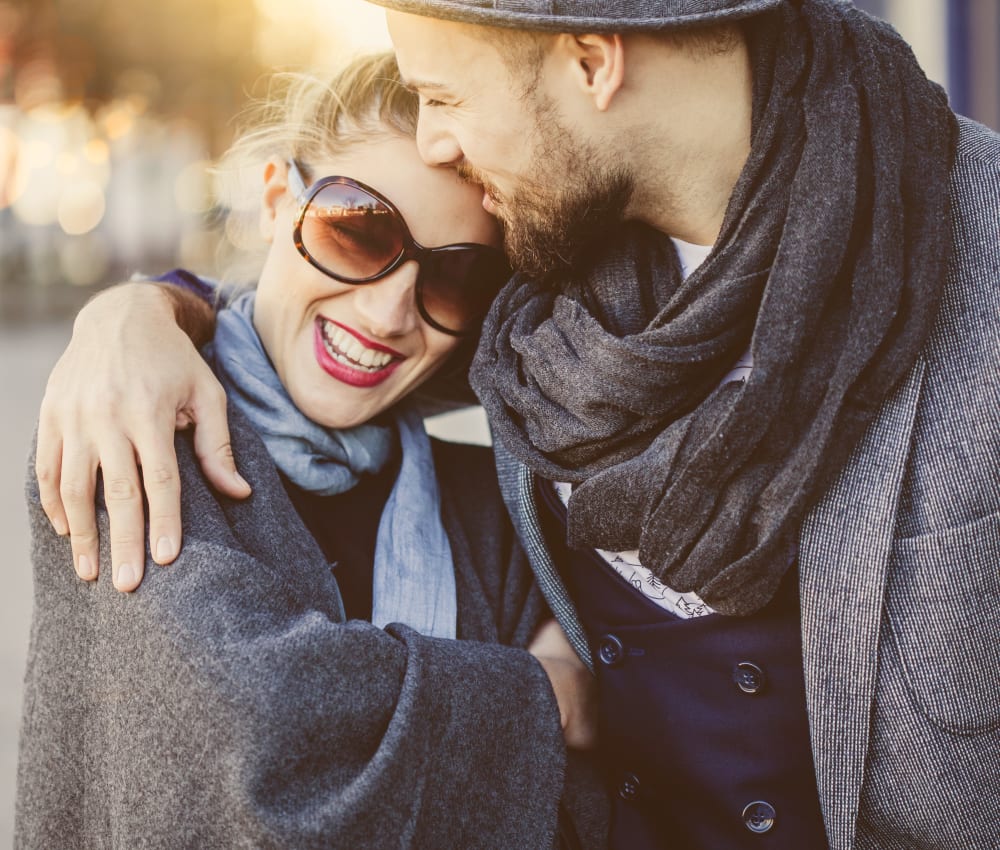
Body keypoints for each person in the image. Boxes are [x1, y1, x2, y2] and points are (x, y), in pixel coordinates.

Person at [31, 1, 1000, 848]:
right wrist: (140, 311)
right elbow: (251, 732)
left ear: (589, 60)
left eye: (445, 98)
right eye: (358, 229)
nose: (438, 139)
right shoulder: (537, 297)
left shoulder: (526, 307)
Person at [16, 53, 608, 850]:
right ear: (274, 201)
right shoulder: (131, 428)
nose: (390, 311)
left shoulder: (493, 511)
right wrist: (541, 694)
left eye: (456, 281)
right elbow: (261, 739)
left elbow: (583, 810)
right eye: (359, 233)